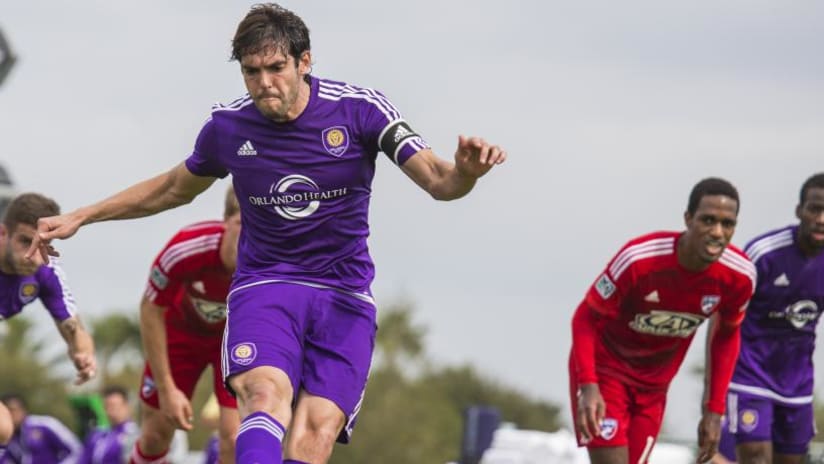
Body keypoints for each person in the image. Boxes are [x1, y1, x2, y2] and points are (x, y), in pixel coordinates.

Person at [26, 4, 506, 463]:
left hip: (345, 295)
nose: (264, 83)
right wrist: (83, 215)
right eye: (251, 72)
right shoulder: (229, 127)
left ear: (305, 62)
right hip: (268, 284)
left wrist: (466, 172)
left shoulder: (360, 111)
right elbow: (172, 189)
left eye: (275, 68)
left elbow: (440, 182)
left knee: (316, 430)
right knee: (263, 393)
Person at [568, 177, 756, 464]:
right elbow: (585, 318)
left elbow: (727, 336)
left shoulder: (739, 277)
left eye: (727, 224)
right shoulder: (639, 259)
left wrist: (714, 410)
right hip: (606, 372)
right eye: (708, 220)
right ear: (688, 219)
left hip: (653, 388)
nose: (717, 232)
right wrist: (588, 386)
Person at [130, 186, 241, 464]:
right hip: (180, 336)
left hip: (234, 342)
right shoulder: (186, 247)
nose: (251, 236)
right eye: (243, 223)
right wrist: (167, 389)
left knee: (235, 438)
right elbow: (150, 309)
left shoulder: (272, 262)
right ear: (226, 220)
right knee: (156, 434)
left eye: (260, 225)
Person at [721, 173, 824, 464]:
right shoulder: (764, 253)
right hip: (750, 373)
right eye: (815, 208)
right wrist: (715, 383)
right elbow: (725, 316)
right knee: (755, 458)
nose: (821, 218)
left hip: (797, 382)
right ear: (799, 211)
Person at [0, 192, 96, 459]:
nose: (32, 254)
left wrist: (82, 354)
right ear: (3, 233)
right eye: (24, 241)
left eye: (43, 244)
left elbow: (75, 328)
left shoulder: (47, 272)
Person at [0, 393, 82, 464]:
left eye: (13, 410)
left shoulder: (45, 425)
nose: (11, 415)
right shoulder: (5, 436)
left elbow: (77, 451)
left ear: (23, 410)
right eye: (7, 412)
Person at [78, 385, 140, 464]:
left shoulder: (135, 435)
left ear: (126, 406)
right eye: (106, 406)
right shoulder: (97, 435)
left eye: (113, 406)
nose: (109, 411)